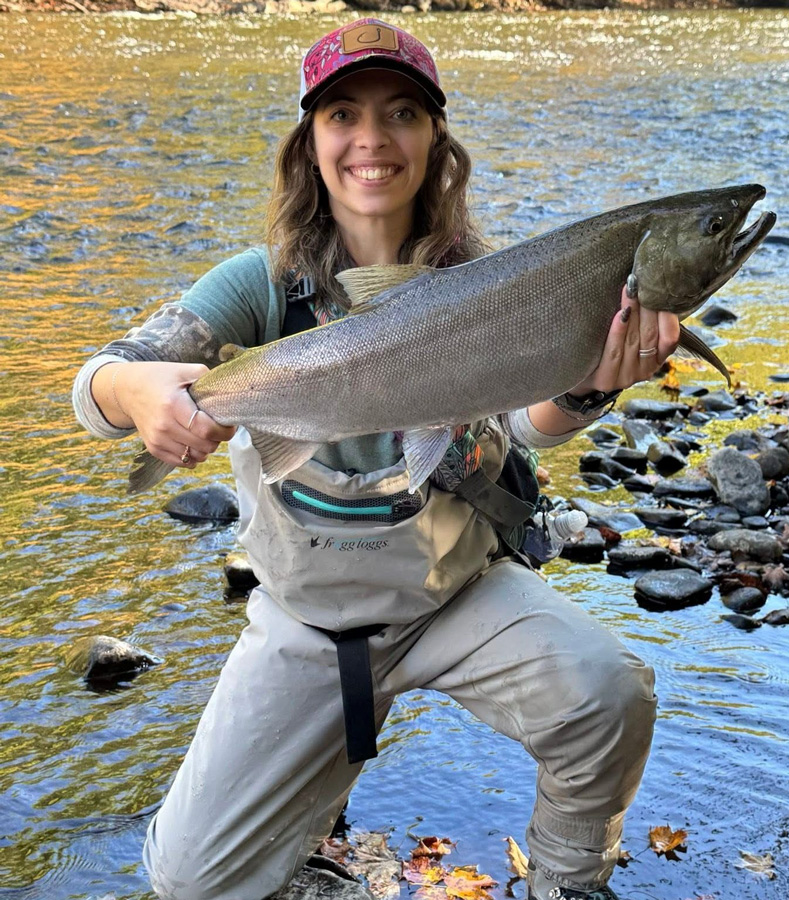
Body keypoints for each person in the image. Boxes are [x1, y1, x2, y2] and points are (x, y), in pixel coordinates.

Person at [73, 18, 680, 900]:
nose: (372, 138)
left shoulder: (490, 280)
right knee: (186, 882)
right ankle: (310, 818)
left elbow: (527, 427)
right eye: (343, 114)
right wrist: (138, 398)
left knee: (611, 692)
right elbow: (97, 384)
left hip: (456, 596)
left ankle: (567, 882)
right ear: (309, 144)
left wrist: (592, 386)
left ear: (435, 140)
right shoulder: (259, 285)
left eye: (401, 112)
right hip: (308, 624)